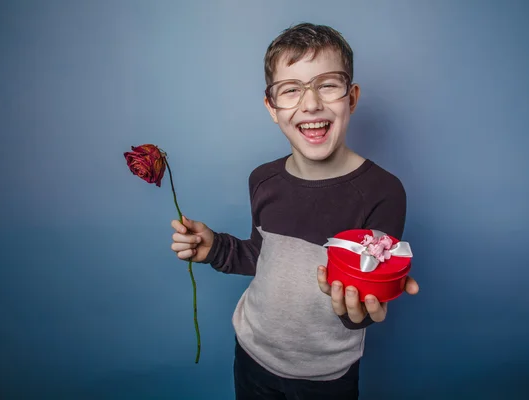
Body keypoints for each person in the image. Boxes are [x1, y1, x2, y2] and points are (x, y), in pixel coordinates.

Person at [170, 22, 419, 400]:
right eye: (291, 90)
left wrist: (360, 308)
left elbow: (366, 297)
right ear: (272, 108)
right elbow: (263, 256)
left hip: (326, 376)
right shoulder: (262, 179)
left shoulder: (383, 192)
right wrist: (216, 249)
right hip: (252, 355)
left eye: (328, 85)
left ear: (351, 98)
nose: (311, 103)